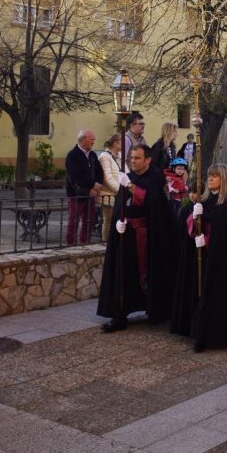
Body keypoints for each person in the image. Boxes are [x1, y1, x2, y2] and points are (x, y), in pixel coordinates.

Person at [97, 144, 175, 332]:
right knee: (123, 273)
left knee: (147, 272)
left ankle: (154, 309)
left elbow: (152, 201)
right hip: (127, 234)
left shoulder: (155, 178)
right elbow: (121, 204)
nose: (133, 161)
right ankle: (119, 315)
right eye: (131, 158)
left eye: (137, 158)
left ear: (148, 160)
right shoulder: (129, 177)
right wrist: (119, 220)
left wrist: (130, 186)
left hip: (147, 237)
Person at [170, 164, 227, 352]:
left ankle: (208, 335)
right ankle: (198, 331)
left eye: (215, 176)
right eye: (209, 175)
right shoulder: (204, 201)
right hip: (203, 256)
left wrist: (207, 239)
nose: (210, 179)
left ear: (223, 178)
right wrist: (194, 217)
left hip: (221, 259)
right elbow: (194, 226)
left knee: (213, 295)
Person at [65, 129, 103, 245]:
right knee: (74, 220)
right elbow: (75, 176)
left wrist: (97, 185)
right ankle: (70, 244)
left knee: (89, 220)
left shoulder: (92, 155)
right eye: (92, 139)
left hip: (91, 193)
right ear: (83, 140)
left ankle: (85, 242)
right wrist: (92, 186)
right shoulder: (73, 155)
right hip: (77, 193)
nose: (94, 141)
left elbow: (99, 172)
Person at [97, 133, 123, 242]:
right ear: (116, 143)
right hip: (108, 194)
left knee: (118, 220)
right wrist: (120, 190)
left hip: (119, 194)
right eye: (122, 142)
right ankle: (106, 242)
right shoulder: (104, 156)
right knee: (108, 220)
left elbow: (125, 172)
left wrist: (129, 186)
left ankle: (115, 241)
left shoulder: (119, 155)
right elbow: (107, 178)